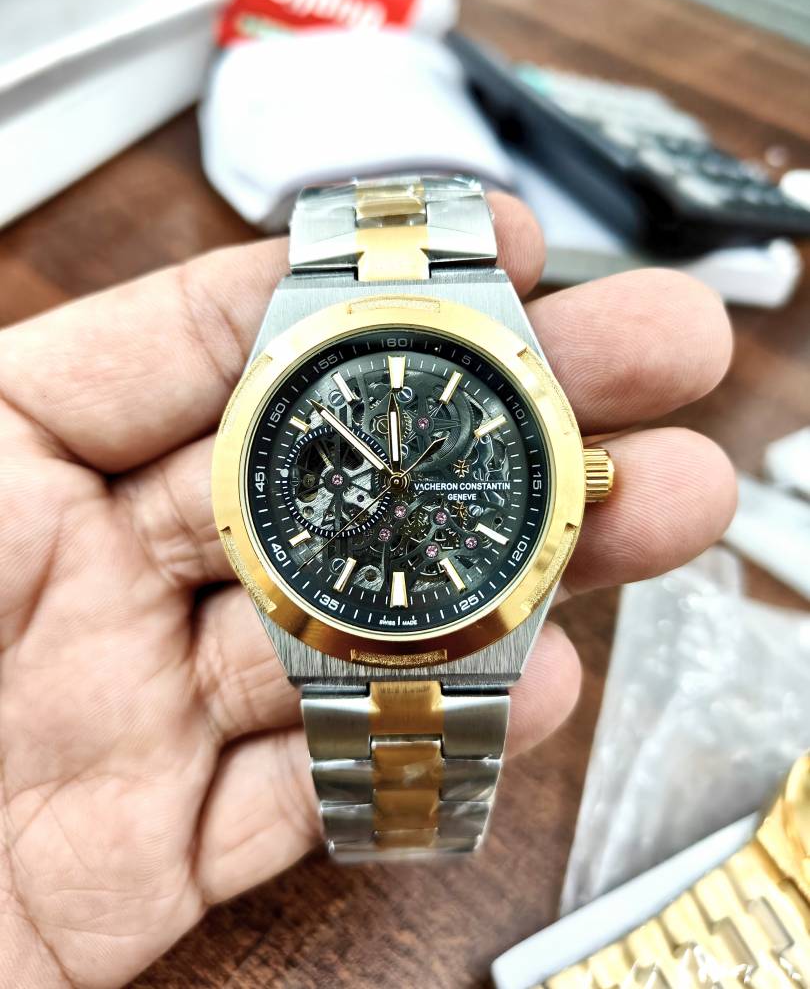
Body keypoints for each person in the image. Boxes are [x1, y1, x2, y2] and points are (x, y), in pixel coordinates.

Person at [0, 195, 736, 987]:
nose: (389, 485)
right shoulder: (289, 472)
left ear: (580, 477)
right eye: (367, 474)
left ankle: (410, 823)